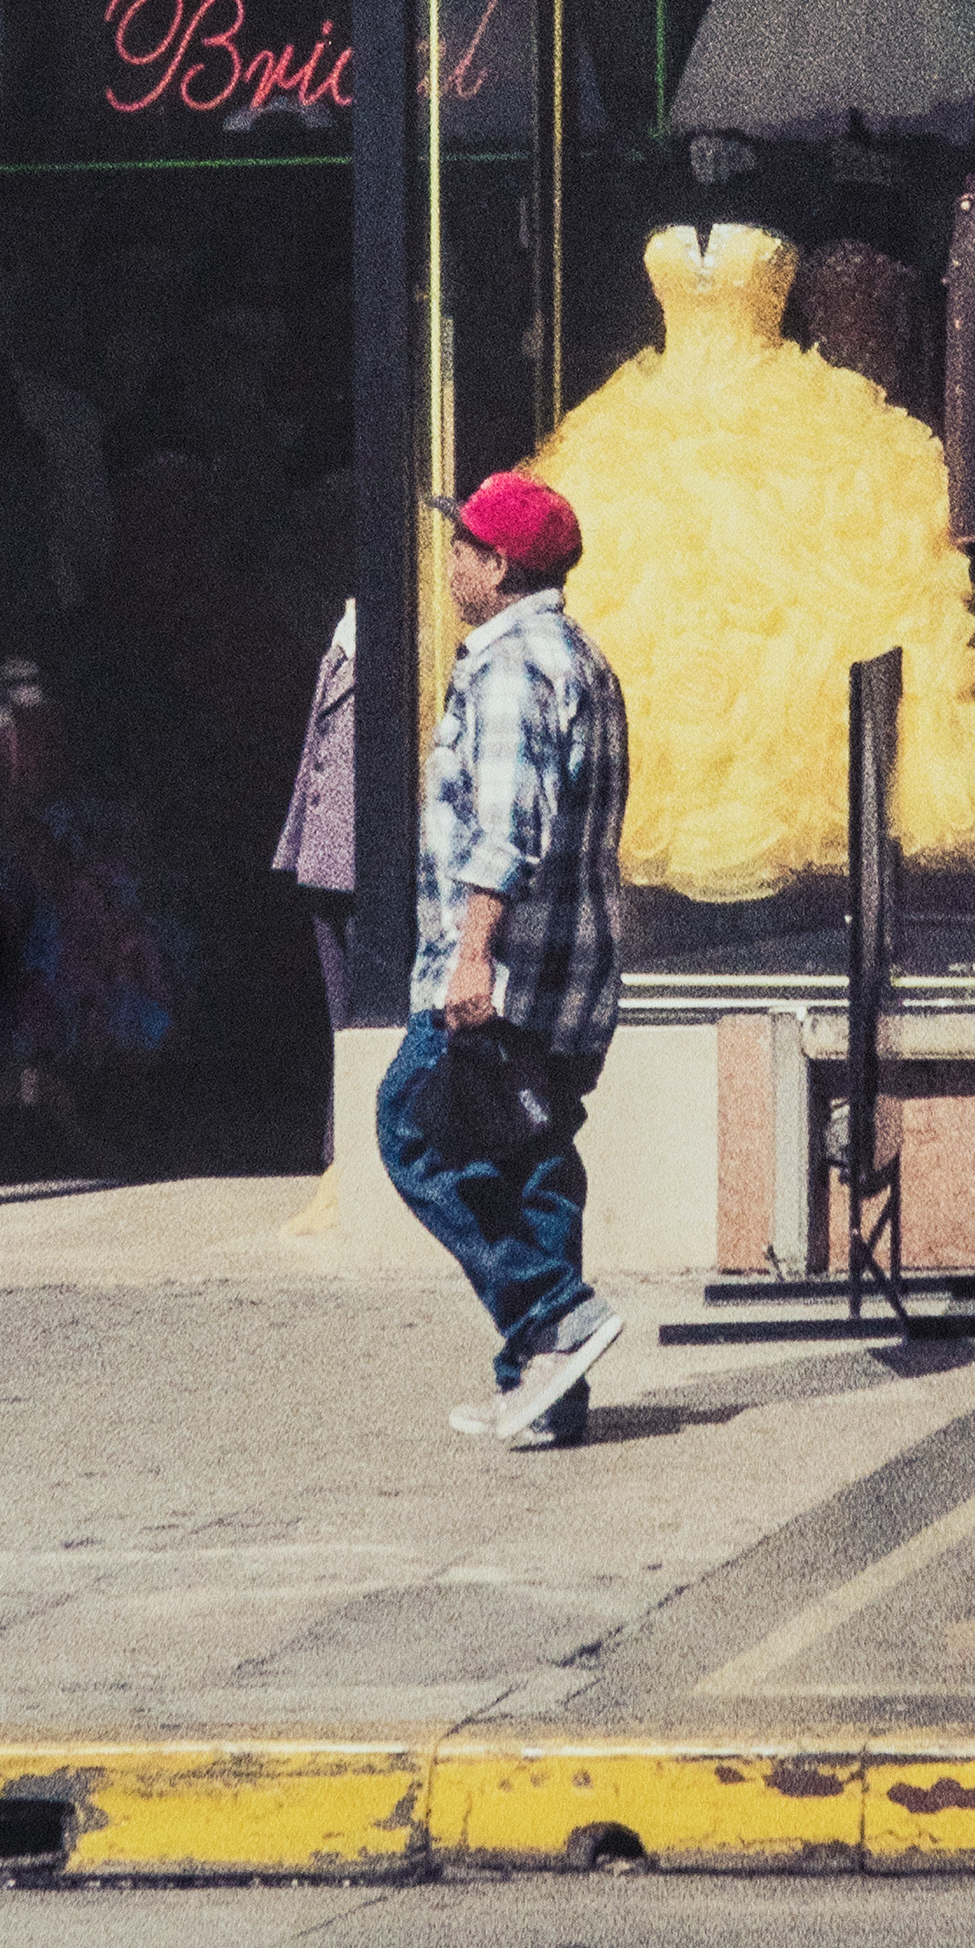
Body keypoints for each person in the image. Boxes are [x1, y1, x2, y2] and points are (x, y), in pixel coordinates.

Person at [376, 468, 628, 1450]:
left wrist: (469, 956)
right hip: (569, 968)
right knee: (531, 1162)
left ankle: (554, 1316)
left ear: (499, 565)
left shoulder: (518, 664)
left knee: (415, 1130)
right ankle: (545, 1389)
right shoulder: (574, 653)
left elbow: (507, 827)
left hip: (512, 970)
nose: (448, 561)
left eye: (463, 546)